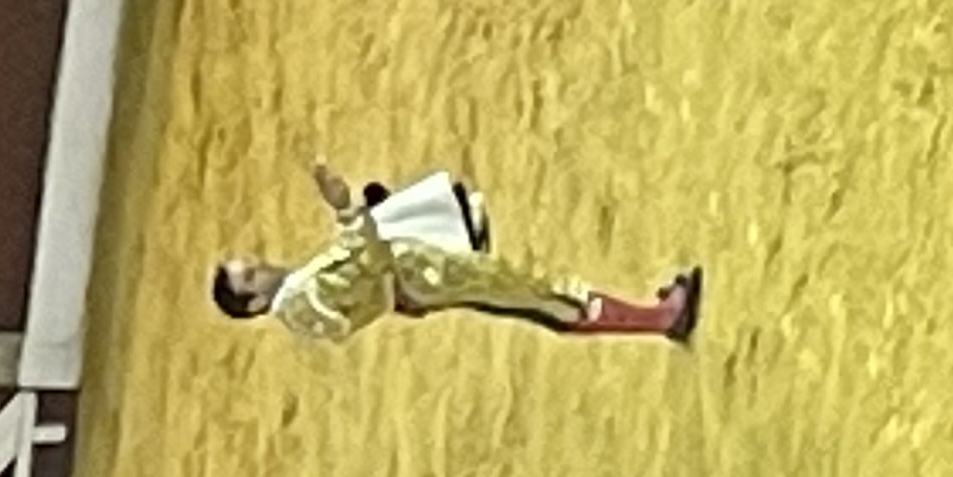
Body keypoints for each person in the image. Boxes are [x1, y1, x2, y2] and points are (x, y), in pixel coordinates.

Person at [212, 163, 702, 344]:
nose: (261, 265)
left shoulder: (300, 304)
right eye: (251, 277)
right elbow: (371, 264)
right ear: (254, 304)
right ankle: (661, 318)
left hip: (417, 280)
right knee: (542, 294)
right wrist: (347, 211)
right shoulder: (300, 299)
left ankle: (656, 316)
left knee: (533, 296)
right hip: (422, 274)